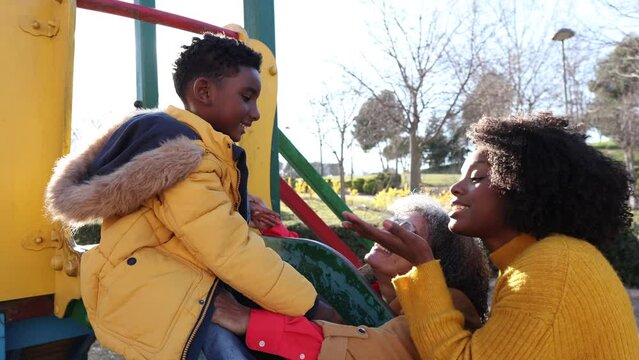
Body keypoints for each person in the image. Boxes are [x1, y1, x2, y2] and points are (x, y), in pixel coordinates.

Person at [45, 33, 335, 360]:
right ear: (204, 91)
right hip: (154, 294)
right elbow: (229, 250)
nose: (255, 113)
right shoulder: (183, 160)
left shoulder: (192, 149)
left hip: (159, 280)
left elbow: (200, 229)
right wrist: (312, 305)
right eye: (247, 97)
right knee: (229, 344)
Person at [343, 113, 639, 359]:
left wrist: (423, 263)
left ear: (523, 185)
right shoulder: (543, 260)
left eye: (476, 178)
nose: (456, 188)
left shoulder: (553, 266)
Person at [211, 194, 491, 359]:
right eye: (392, 223)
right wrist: (275, 232)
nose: (388, 233)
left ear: (435, 258)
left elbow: (363, 346)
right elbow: (318, 275)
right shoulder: (368, 286)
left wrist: (249, 321)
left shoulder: (448, 307)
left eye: (407, 231)